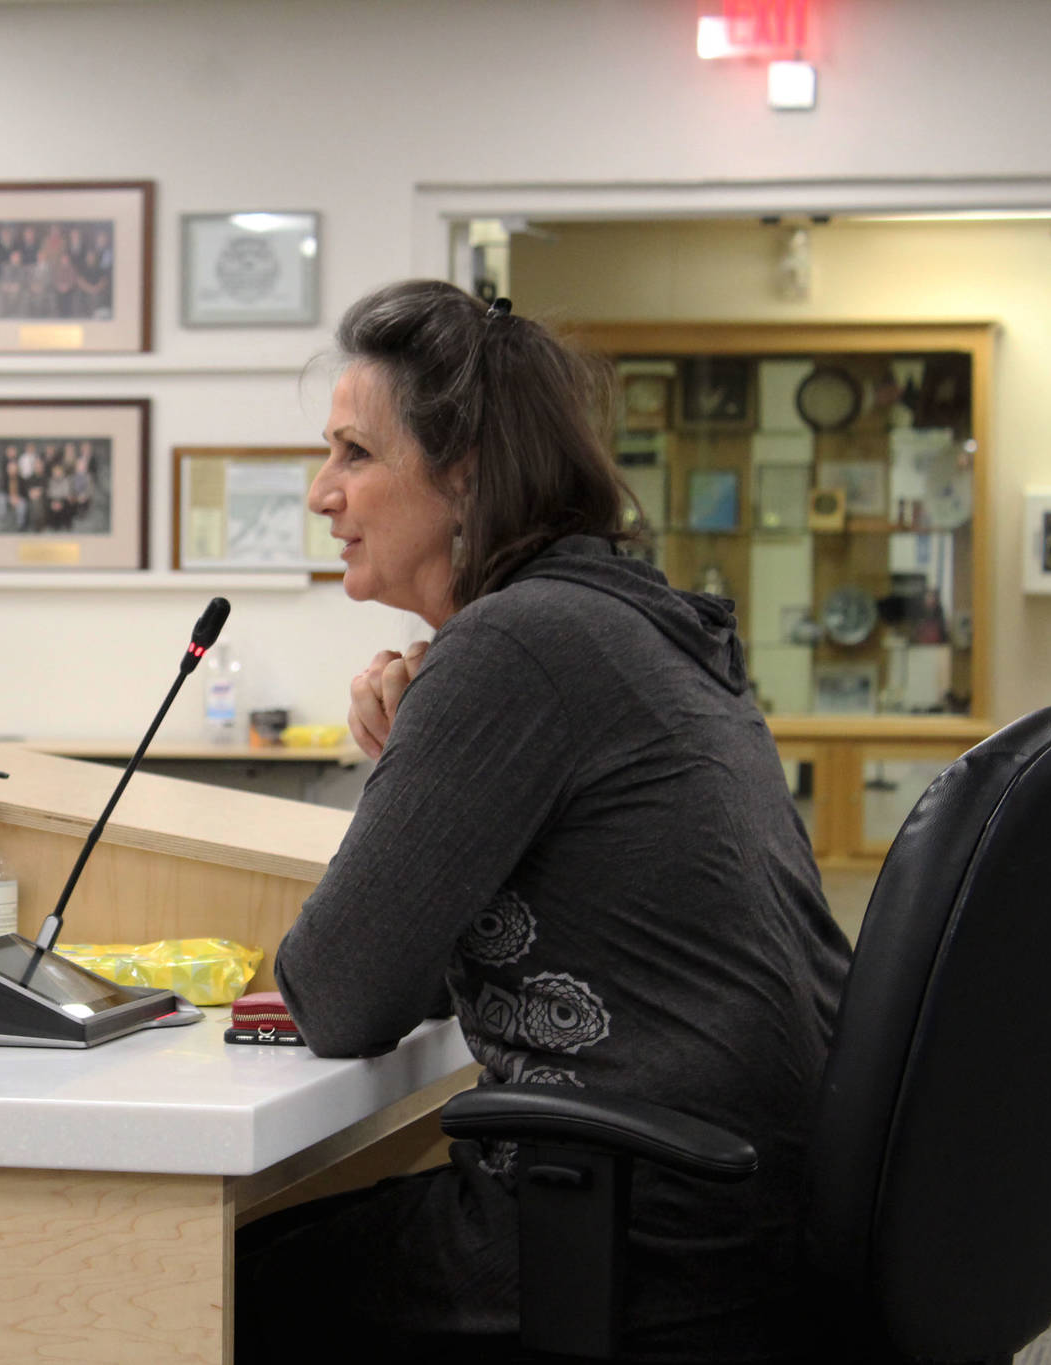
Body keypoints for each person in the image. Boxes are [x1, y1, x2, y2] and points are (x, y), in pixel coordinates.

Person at [236, 280, 850, 1363]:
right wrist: (421, 757)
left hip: (644, 1234)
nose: (322, 494)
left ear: (462, 473)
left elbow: (335, 994)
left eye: (353, 454)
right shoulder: (623, 618)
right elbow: (412, 976)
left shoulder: (513, 648)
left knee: (205, 1283)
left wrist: (409, 756)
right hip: (743, 1215)